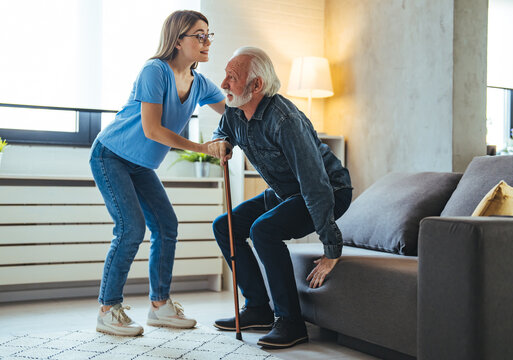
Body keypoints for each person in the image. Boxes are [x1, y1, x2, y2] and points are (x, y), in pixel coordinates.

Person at [89, 10, 227, 336]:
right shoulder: (155, 71)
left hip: (140, 165)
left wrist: (232, 132)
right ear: (178, 41)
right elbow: (152, 130)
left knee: (166, 225)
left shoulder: (200, 83)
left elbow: (232, 112)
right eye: (199, 35)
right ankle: (108, 310)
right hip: (111, 156)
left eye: (209, 34)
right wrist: (204, 148)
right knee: (131, 227)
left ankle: (160, 305)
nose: (207, 41)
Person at [211, 47, 352, 349]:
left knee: (264, 229)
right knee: (225, 226)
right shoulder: (235, 111)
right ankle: (259, 308)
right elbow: (221, 132)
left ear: (257, 85)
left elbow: (315, 184)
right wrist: (221, 143)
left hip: (328, 190)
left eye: (232, 78)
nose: (223, 83)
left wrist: (331, 248)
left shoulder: (285, 120)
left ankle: (291, 323)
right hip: (285, 192)